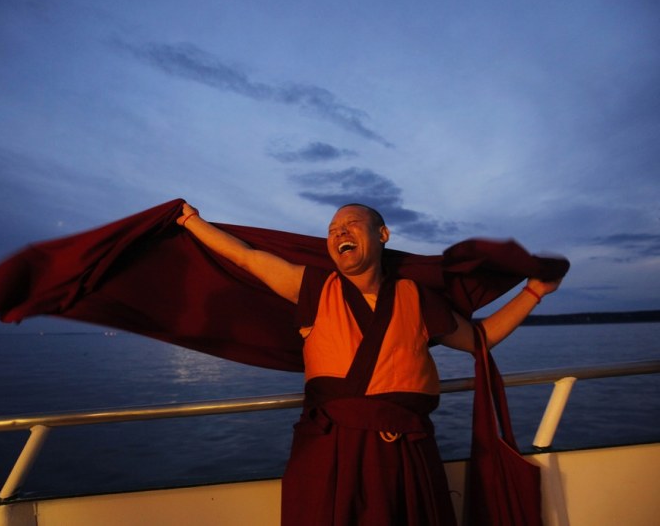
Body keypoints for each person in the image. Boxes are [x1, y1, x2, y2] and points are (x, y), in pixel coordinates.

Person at [177, 202, 562, 526]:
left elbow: (481, 339)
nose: (339, 232)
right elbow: (246, 257)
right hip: (332, 450)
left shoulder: (416, 296)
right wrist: (193, 222)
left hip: (408, 452)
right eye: (332, 229)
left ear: (383, 235)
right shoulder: (313, 287)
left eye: (351, 224)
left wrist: (534, 292)